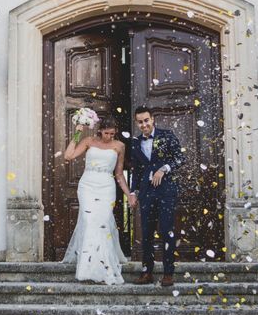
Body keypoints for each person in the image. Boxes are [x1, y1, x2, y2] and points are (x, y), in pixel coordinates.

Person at [62, 116, 130, 285]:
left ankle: (104, 266)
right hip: (87, 186)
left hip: (107, 186)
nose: (109, 137)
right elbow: (68, 155)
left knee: (102, 223)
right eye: (107, 133)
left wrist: (129, 194)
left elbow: (119, 174)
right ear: (100, 130)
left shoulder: (119, 146)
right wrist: (77, 134)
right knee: (90, 220)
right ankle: (87, 268)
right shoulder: (89, 141)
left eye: (113, 134)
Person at [130, 106, 185, 287]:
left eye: (146, 120)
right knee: (146, 233)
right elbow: (136, 171)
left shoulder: (167, 135)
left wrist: (164, 168)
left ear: (152, 119)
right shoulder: (135, 143)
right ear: (137, 123)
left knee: (167, 230)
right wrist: (133, 192)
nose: (144, 124)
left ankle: (168, 273)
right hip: (146, 193)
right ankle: (147, 272)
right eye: (140, 122)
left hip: (165, 191)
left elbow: (180, 158)